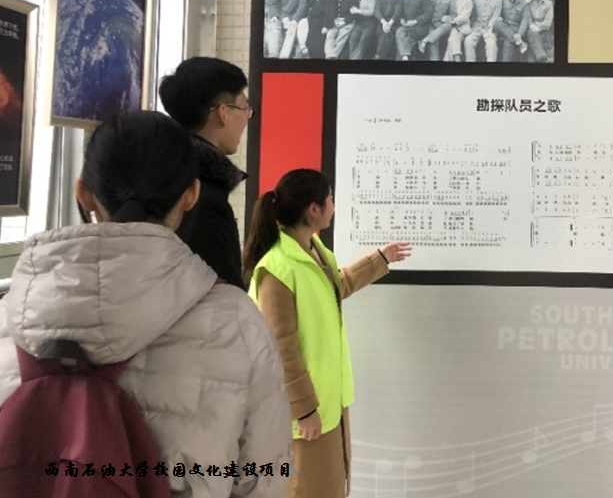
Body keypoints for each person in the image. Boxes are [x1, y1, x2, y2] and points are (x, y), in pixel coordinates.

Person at [0, 111, 291, 497]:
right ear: (191, 194)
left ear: (83, 192)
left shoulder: (10, 317)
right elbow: (264, 477)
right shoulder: (237, 321)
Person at [245, 169, 412, 498]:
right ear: (313, 209)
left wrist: (380, 259)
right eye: (330, 199)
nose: (334, 206)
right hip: (304, 412)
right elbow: (281, 348)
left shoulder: (314, 250)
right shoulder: (277, 268)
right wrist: (304, 410)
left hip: (328, 402)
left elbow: (336, 287)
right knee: (306, 489)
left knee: (330, 487)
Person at [159, 56, 252, 288]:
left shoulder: (164, 177)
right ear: (223, 112)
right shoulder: (204, 197)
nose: (247, 117)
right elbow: (222, 295)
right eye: (245, 107)